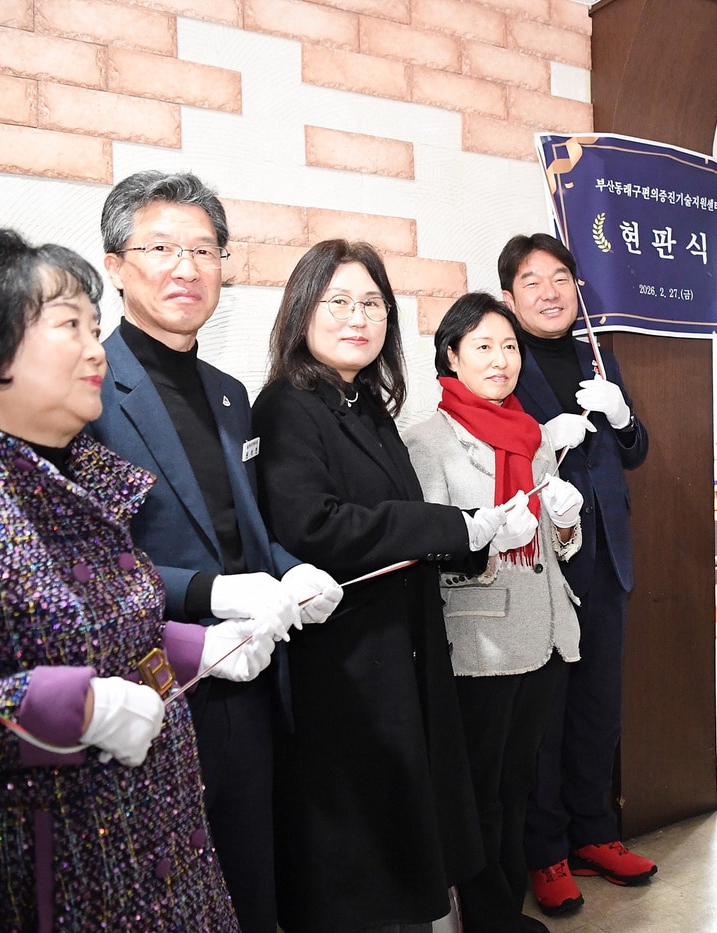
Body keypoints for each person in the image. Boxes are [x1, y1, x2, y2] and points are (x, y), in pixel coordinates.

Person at [0, 226, 242, 929]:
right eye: (69, 326)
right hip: (51, 869)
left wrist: (189, 649)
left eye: (95, 324)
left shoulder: (83, 474)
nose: (95, 347)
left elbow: (98, 633)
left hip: (164, 844)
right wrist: (68, 709)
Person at [86, 170, 342, 933]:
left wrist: (289, 566)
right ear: (115, 263)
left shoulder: (230, 390)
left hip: (255, 678)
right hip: (154, 681)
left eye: (204, 249)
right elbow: (92, 565)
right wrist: (208, 596)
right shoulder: (86, 387)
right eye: (160, 247)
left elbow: (246, 522)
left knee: (252, 880)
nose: (186, 268)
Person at [251, 241, 506, 929]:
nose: (357, 317)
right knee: (356, 867)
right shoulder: (286, 406)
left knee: (406, 847)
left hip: (401, 649)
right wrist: (453, 525)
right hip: (346, 666)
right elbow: (316, 525)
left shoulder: (364, 403)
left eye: (372, 303)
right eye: (338, 301)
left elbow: (394, 527)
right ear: (303, 309)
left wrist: (468, 540)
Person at [405, 292, 586, 933]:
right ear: (451, 356)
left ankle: (505, 906)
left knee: (519, 781)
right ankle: (484, 915)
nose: (501, 359)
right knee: (478, 790)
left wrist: (565, 527)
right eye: (483, 345)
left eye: (509, 346)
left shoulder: (531, 433)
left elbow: (554, 546)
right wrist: (482, 539)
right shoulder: (426, 440)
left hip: (543, 631)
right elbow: (423, 548)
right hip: (479, 641)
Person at [497, 233, 656, 916]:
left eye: (560, 277)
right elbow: (494, 452)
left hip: (607, 556)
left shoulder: (600, 352)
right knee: (548, 713)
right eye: (532, 281)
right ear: (510, 297)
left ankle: (596, 830)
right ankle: (547, 847)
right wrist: (541, 442)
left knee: (599, 707)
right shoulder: (505, 359)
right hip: (542, 564)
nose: (550, 292)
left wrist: (621, 417)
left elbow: (637, 448)